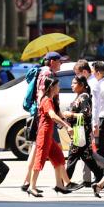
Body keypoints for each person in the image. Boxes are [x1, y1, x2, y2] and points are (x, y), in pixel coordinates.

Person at [21, 52, 61, 192]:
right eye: (58, 61)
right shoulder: (47, 74)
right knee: (44, 151)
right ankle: (60, 183)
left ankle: (27, 181)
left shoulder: (43, 72)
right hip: (45, 116)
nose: (60, 63)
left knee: (38, 149)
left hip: (41, 114)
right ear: (51, 61)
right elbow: (45, 96)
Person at [29, 76, 73, 197]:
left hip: (49, 136)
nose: (59, 88)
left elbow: (56, 114)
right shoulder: (47, 100)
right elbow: (52, 116)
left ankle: (59, 185)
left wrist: (65, 121)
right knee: (39, 160)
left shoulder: (51, 100)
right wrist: (66, 126)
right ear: (52, 87)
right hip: (44, 135)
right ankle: (32, 187)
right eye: (57, 86)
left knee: (59, 158)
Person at [64, 76, 103, 190]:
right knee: (86, 156)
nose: (72, 85)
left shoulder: (84, 97)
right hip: (79, 131)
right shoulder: (79, 96)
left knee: (72, 156)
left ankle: (64, 183)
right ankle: (100, 175)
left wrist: (70, 114)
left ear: (81, 85)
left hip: (81, 132)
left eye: (74, 83)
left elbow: (86, 115)